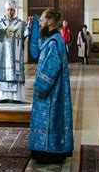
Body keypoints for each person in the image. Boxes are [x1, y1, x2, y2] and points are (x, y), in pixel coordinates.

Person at [29, 9, 73, 164]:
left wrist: (42, 87)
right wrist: (33, 26)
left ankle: (48, 152)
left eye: (41, 20)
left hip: (50, 90)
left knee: (49, 118)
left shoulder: (54, 42)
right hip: (52, 89)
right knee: (52, 118)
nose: (40, 22)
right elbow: (37, 45)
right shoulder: (52, 39)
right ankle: (49, 150)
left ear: (49, 21)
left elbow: (51, 67)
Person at [0, 0, 31, 103]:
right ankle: (2, 96)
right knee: (4, 74)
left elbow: (26, 33)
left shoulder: (20, 23)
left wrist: (29, 25)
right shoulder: (0, 24)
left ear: (14, 11)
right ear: (5, 10)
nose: (10, 12)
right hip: (4, 54)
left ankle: (17, 97)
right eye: (8, 10)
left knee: (15, 73)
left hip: (16, 54)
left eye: (12, 10)